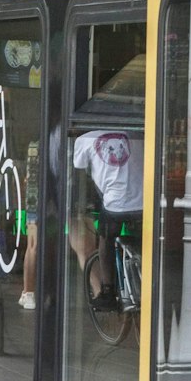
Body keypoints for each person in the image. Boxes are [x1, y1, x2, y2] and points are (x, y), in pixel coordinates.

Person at [68, 128, 143, 311]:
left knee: (106, 238)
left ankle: (107, 291)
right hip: (144, 201)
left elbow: (79, 176)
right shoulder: (136, 133)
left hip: (115, 204)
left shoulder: (85, 139)